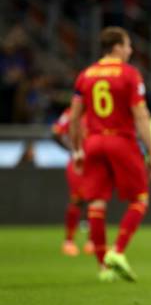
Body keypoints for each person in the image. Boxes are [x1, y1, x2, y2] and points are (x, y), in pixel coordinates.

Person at [70, 26, 151, 282]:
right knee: (140, 199)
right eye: (128, 45)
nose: (131, 50)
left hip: (93, 143)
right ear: (118, 46)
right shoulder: (129, 74)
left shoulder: (86, 75)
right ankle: (118, 251)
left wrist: (77, 149)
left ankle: (103, 268)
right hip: (120, 140)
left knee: (97, 203)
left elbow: (75, 117)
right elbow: (141, 115)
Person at [52, 107, 94, 256]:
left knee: (95, 200)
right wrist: (73, 149)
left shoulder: (96, 113)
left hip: (96, 163)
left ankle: (92, 241)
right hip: (78, 163)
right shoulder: (70, 113)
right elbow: (56, 133)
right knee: (77, 200)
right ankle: (69, 242)